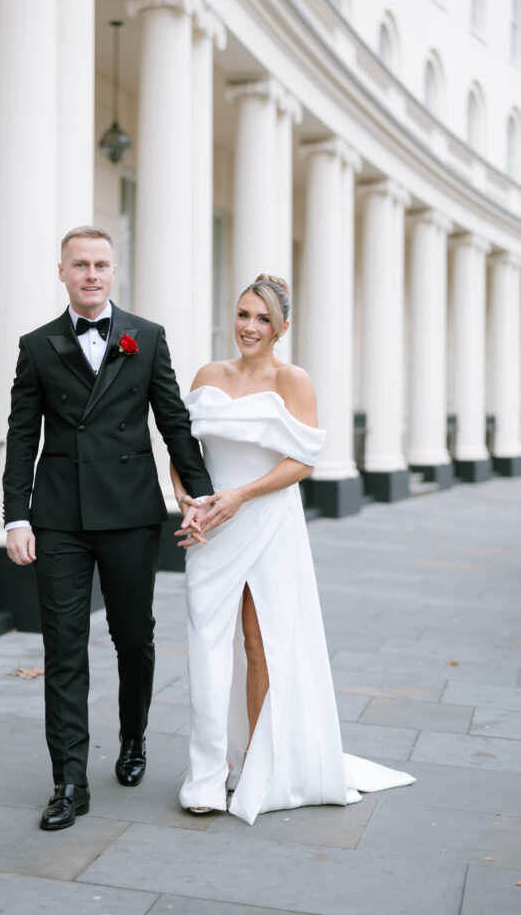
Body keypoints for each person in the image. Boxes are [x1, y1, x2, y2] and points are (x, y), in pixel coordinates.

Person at [171, 274, 415, 824]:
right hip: (211, 526)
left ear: (282, 327)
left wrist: (242, 495)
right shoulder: (208, 375)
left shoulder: (292, 379)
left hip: (267, 521)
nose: (250, 327)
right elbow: (183, 449)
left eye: (262, 318)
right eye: (242, 314)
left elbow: (303, 460)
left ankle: (262, 765)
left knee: (260, 642)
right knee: (207, 646)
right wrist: (188, 497)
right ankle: (206, 778)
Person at [3, 226, 213, 831]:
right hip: (60, 517)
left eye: (101, 264)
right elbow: (22, 438)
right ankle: (69, 781)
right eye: (80, 265)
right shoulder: (37, 345)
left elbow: (173, 421)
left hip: (129, 515)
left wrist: (199, 496)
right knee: (63, 648)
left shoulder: (145, 338)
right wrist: (17, 515)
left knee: (133, 637)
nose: (91, 274)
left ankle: (133, 737)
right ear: (62, 272)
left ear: (112, 271)